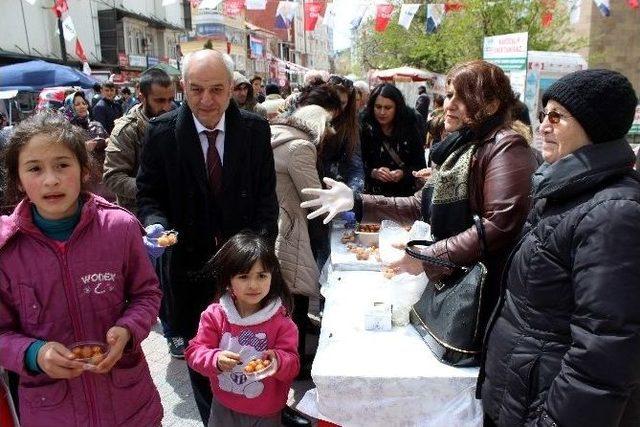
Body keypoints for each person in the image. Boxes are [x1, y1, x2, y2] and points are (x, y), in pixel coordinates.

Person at [301, 60, 538, 343]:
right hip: (454, 283)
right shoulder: (462, 147)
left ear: (489, 105)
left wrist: (428, 258)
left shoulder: (505, 145)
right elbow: (418, 206)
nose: (449, 104)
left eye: (461, 98)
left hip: (485, 295)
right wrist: (356, 201)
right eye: (449, 95)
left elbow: (499, 225)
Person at [480, 70, 640, 427]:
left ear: (593, 127)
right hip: (520, 398)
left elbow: (605, 351)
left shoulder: (612, 213)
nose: (543, 127)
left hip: (547, 410)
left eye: (556, 116)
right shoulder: (563, 191)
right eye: (542, 115)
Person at [136, 49, 279, 425]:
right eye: (196, 90)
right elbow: (149, 194)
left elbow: (266, 199)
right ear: (183, 87)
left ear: (232, 88)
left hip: (245, 268)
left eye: (217, 89)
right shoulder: (162, 132)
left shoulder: (254, 130)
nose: (206, 100)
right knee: (203, 361)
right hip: (189, 269)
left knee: (249, 356)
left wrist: (259, 255)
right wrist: (155, 225)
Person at [0, 111, 163, 426]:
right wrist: (35, 354)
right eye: (35, 168)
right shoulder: (6, 250)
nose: (51, 179)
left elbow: (147, 293)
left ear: (84, 169)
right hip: (52, 411)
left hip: (130, 406)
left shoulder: (120, 227)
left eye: (62, 165)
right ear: (18, 180)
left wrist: (128, 329)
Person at [103, 67, 182, 357]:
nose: (167, 106)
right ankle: (173, 332)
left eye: (171, 99)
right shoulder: (127, 130)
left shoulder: (178, 120)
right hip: (144, 218)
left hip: (176, 211)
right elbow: (113, 176)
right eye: (160, 101)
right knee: (158, 279)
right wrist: (151, 187)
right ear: (142, 96)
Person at [185, 231, 299, 427]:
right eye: (244, 276)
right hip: (224, 406)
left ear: (272, 277)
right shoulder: (215, 316)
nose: (254, 285)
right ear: (229, 280)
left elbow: (293, 365)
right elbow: (194, 352)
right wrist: (215, 359)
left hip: (266, 411)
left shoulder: (282, 322)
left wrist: (277, 361)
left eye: (262, 275)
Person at [270, 104, 336, 383]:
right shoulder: (301, 147)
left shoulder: (274, 135)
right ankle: (295, 364)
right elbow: (313, 198)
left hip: (273, 223)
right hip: (291, 228)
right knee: (295, 297)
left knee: (282, 298)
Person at [360, 83, 426, 197]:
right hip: (371, 196)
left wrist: (403, 173)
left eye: (387, 108)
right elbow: (354, 164)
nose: (382, 112)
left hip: (403, 197)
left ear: (397, 108)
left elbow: (420, 166)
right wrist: (373, 172)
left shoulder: (410, 128)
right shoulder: (363, 128)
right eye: (378, 107)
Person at [65, 91, 114, 202]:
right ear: (69, 108)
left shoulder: (96, 125)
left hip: (104, 179)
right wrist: (82, 149)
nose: (82, 106)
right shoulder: (67, 131)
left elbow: (110, 142)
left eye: (84, 103)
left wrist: (107, 141)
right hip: (82, 182)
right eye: (77, 104)